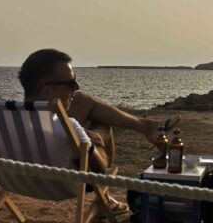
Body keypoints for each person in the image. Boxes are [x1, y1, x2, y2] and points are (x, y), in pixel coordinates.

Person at [18, 49, 180, 210]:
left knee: (82, 99)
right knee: (103, 123)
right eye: (71, 84)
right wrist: (97, 134)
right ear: (47, 90)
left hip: (18, 180)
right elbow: (101, 171)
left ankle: (145, 126)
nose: (76, 88)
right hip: (61, 184)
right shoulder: (67, 127)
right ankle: (105, 200)